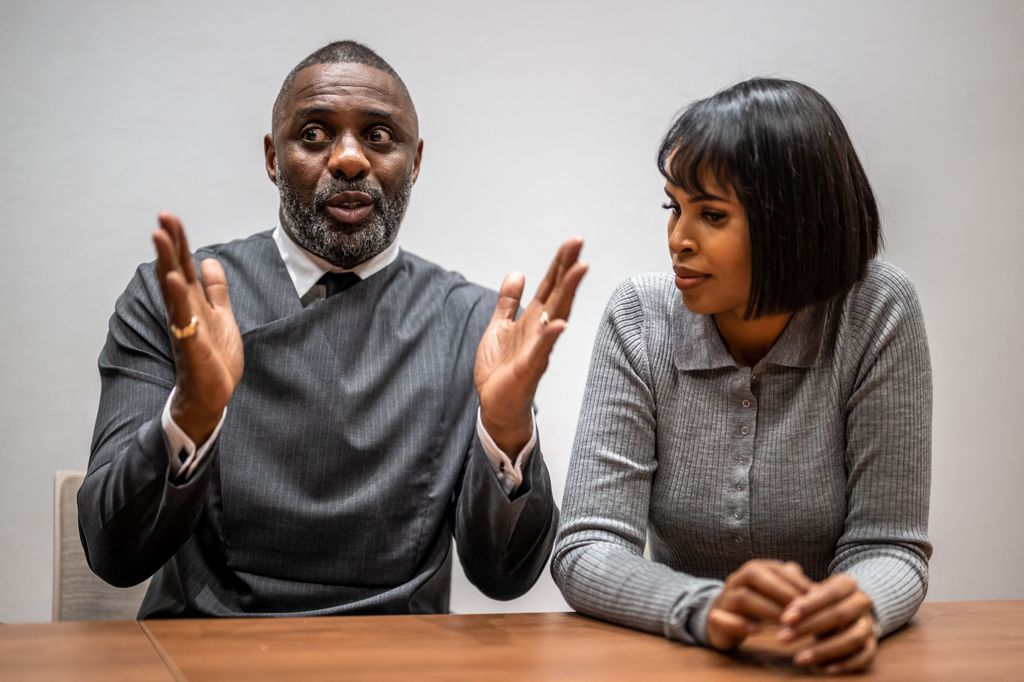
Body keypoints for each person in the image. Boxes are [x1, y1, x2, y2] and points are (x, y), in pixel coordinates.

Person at [78, 40, 587, 618]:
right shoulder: (177, 300)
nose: (348, 159)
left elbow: (505, 576)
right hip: (209, 647)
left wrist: (507, 428)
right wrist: (191, 413)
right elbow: (112, 551)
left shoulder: (473, 323)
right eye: (315, 134)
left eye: (378, 136)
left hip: (398, 654)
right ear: (272, 157)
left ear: (414, 162)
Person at [551, 78, 931, 674]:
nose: (678, 239)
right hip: (680, 659)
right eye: (673, 208)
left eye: (711, 215)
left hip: (819, 664)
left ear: (794, 223)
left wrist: (860, 606)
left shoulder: (878, 311)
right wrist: (701, 607)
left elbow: (890, 546)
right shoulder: (639, 317)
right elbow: (587, 547)